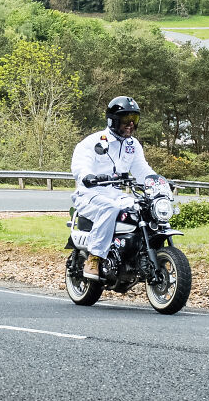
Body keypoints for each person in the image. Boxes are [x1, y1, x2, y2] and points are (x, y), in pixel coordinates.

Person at [71, 96, 159, 280]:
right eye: (126, 119)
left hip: (115, 194)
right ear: (113, 120)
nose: (130, 125)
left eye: (134, 120)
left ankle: (138, 255)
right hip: (89, 193)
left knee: (143, 207)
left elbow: (142, 169)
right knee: (109, 208)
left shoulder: (132, 145)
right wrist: (88, 176)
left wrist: (158, 181)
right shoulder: (94, 141)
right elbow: (81, 164)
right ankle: (94, 258)